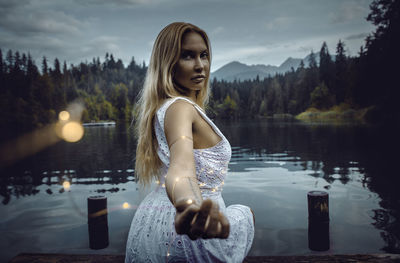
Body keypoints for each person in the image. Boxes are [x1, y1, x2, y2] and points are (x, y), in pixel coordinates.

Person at [125, 22, 254, 262]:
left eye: (203, 55)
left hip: (156, 218)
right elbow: (182, 168)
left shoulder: (166, 108)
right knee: (247, 214)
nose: (200, 65)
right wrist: (189, 204)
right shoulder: (180, 108)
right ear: (168, 63)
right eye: (187, 56)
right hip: (190, 226)